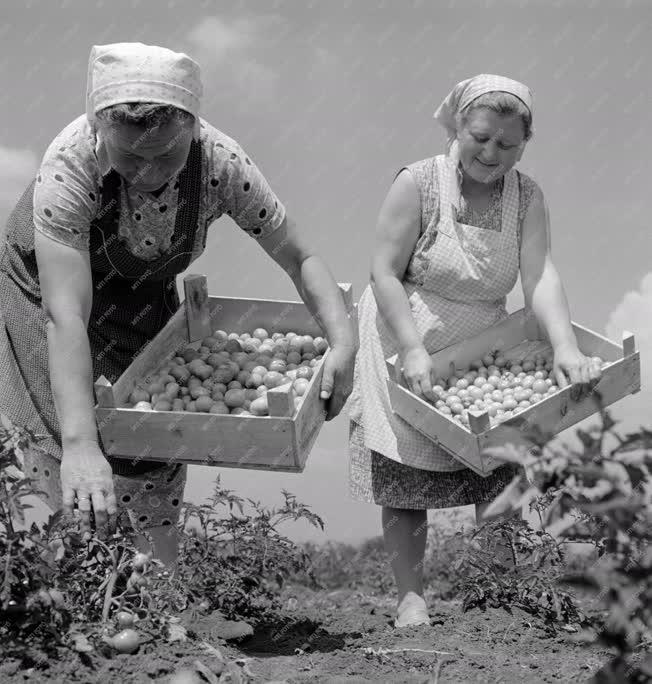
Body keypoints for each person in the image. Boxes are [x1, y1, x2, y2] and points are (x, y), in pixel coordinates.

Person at [0, 42, 355, 566]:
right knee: (66, 435)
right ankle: (73, 593)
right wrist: (80, 446)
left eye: (166, 154)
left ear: (192, 127)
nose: (147, 172)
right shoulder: (69, 173)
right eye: (129, 156)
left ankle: (157, 595)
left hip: (141, 290)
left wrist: (342, 342)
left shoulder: (222, 165)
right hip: (47, 292)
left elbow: (300, 258)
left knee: (152, 422)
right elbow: (65, 315)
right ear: (100, 130)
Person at [347, 74, 602, 627]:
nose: (491, 153)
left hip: (480, 340)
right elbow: (384, 272)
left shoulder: (527, 196)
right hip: (402, 329)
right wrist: (413, 349)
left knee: (497, 458)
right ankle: (411, 597)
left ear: (525, 143)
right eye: (480, 138)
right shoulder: (418, 183)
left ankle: (493, 590)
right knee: (406, 468)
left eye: (507, 145)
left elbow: (539, 275)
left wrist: (562, 345)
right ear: (458, 126)